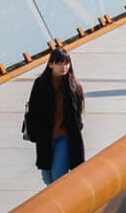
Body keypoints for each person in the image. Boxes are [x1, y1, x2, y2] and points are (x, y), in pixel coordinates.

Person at [25, 47, 86, 186]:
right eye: (59, 63)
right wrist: (35, 131)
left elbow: (78, 116)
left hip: (64, 138)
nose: (63, 67)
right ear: (51, 64)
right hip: (45, 138)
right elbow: (33, 111)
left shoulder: (74, 87)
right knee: (47, 177)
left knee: (58, 178)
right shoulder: (40, 85)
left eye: (66, 63)